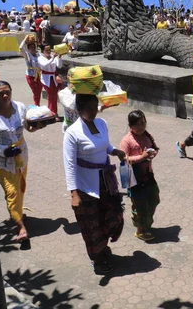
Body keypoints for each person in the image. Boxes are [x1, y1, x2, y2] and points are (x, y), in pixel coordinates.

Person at [63, 94, 126, 274]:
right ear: (79, 109)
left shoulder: (102, 124)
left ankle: (103, 247)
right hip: (84, 186)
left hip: (105, 181)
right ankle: (97, 259)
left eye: (94, 106)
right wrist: (73, 193)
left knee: (113, 216)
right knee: (92, 225)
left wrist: (115, 151)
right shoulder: (72, 132)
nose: (92, 111)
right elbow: (69, 164)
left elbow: (104, 145)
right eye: (87, 108)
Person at [0, 81, 45, 242]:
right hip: (0, 159)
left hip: (21, 154)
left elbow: (27, 128)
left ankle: (17, 212)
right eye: (1, 93)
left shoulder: (20, 107)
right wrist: (3, 150)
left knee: (20, 186)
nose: (5, 96)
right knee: (12, 191)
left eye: (7, 92)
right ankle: (21, 226)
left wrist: (37, 126)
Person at [120, 110, 160, 241]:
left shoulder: (147, 136)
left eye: (143, 123)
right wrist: (141, 157)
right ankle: (140, 230)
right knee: (140, 205)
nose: (141, 127)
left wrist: (152, 153)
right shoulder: (126, 141)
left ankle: (142, 221)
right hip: (135, 179)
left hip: (148, 176)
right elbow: (124, 160)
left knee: (154, 200)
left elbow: (155, 149)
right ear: (131, 125)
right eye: (138, 124)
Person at [38, 45, 63, 119]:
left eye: (49, 50)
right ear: (42, 51)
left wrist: (60, 57)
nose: (49, 52)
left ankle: (51, 112)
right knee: (52, 95)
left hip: (54, 78)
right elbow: (45, 65)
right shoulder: (40, 58)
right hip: (46, 79)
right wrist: (53, 58)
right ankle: (54, 113)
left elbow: (59, 66)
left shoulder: (53, 57)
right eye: (46, 50)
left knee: (53, 96)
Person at [19, 35, 42, 106]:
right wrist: (25, 39)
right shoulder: (27, 55)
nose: (33, 48)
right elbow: (21, 48)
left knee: (39, 92)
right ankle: (36, 106)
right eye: (31, 47)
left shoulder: (39, 54)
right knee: (36, 92)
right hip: (31, 76)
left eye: (34, 47)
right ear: (28, 49)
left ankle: (37, 105)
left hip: (39, 75)